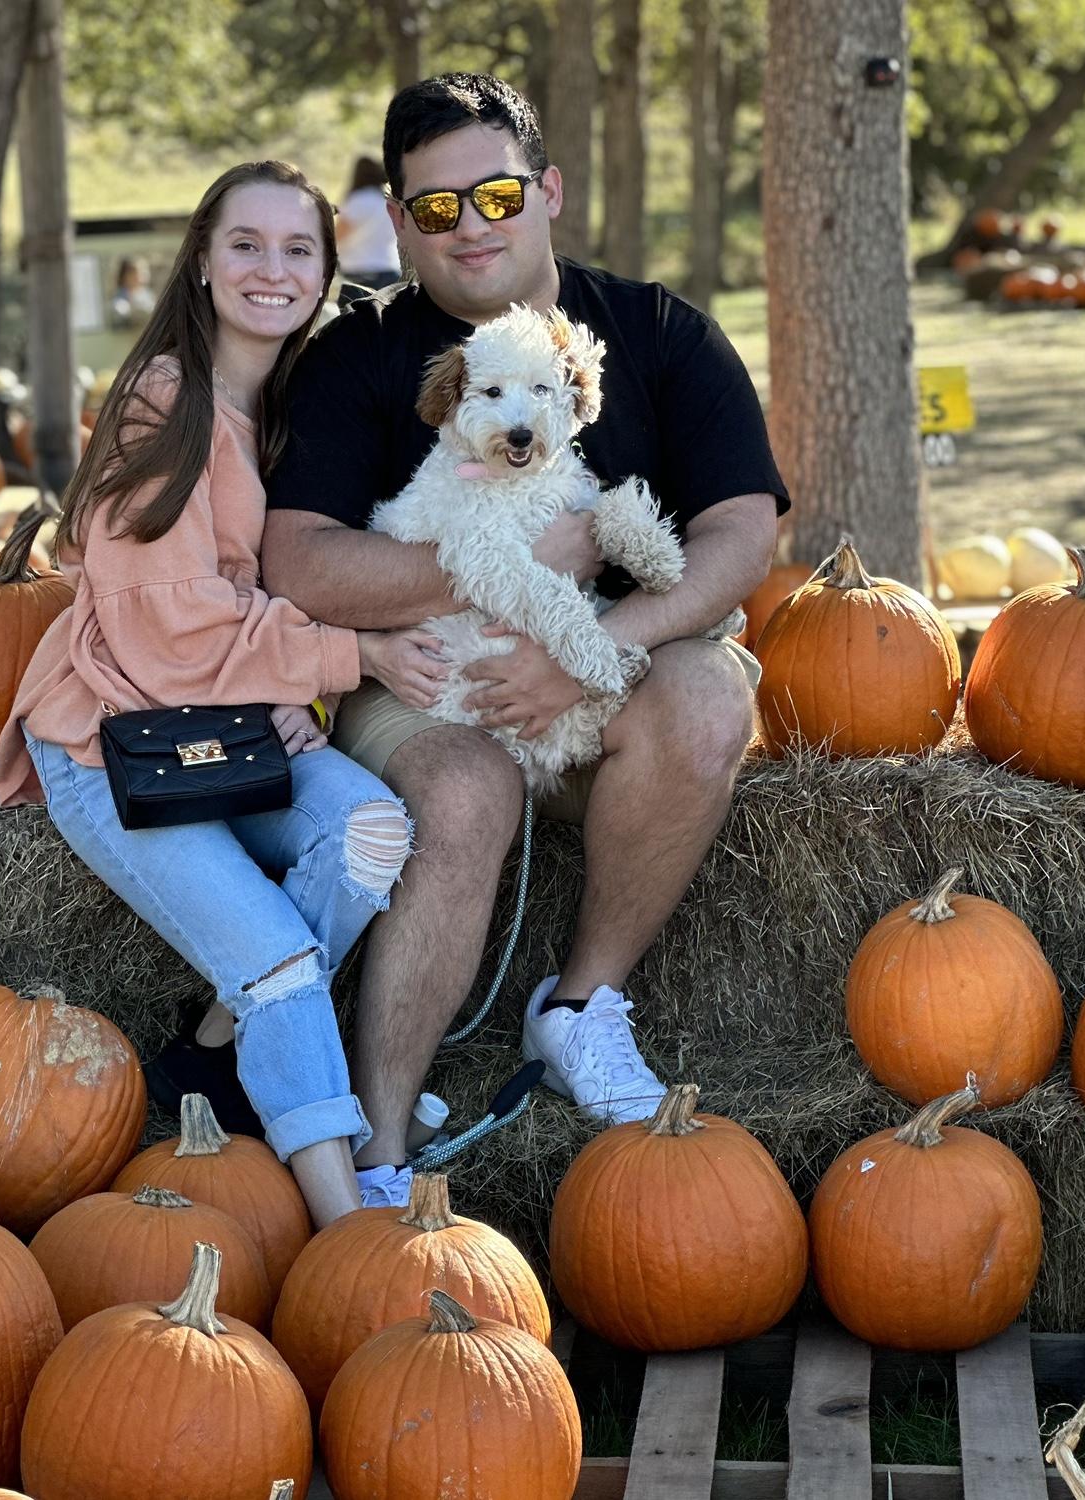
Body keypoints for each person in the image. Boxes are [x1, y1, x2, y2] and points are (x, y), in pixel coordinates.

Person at [260, 73, 787, 1209]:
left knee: (707, 699)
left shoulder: (654, 332)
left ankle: (581, 1008)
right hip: (424, 671)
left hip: (610, 669)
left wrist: (600, 640)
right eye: (436, 207)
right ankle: (382, 1148)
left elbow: (743, 528)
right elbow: (297, 559)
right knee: (461, 793)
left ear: (547, 189)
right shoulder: (359, 357)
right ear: (398, 222)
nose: (471, 225)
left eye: (494, 192)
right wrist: (498, 569)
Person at [0, 160, 417, 1226]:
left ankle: (218, 1056)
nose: (271, 269)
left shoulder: (292, 409)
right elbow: (173, 630)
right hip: (113, 738)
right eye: (246, 244)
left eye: (298, 248)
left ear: (326, 268)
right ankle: (345, 1218)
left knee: (371, 832)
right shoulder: (164, 404)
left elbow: (280, 592)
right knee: (278, 957)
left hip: (228, 724)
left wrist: (301, 694)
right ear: (202, 259)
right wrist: (344, 661)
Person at [336, 155, 402, 296]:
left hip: (358, 272)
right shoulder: (389, 201)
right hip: (390, 269)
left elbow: (339, 236)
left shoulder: (357, 200)